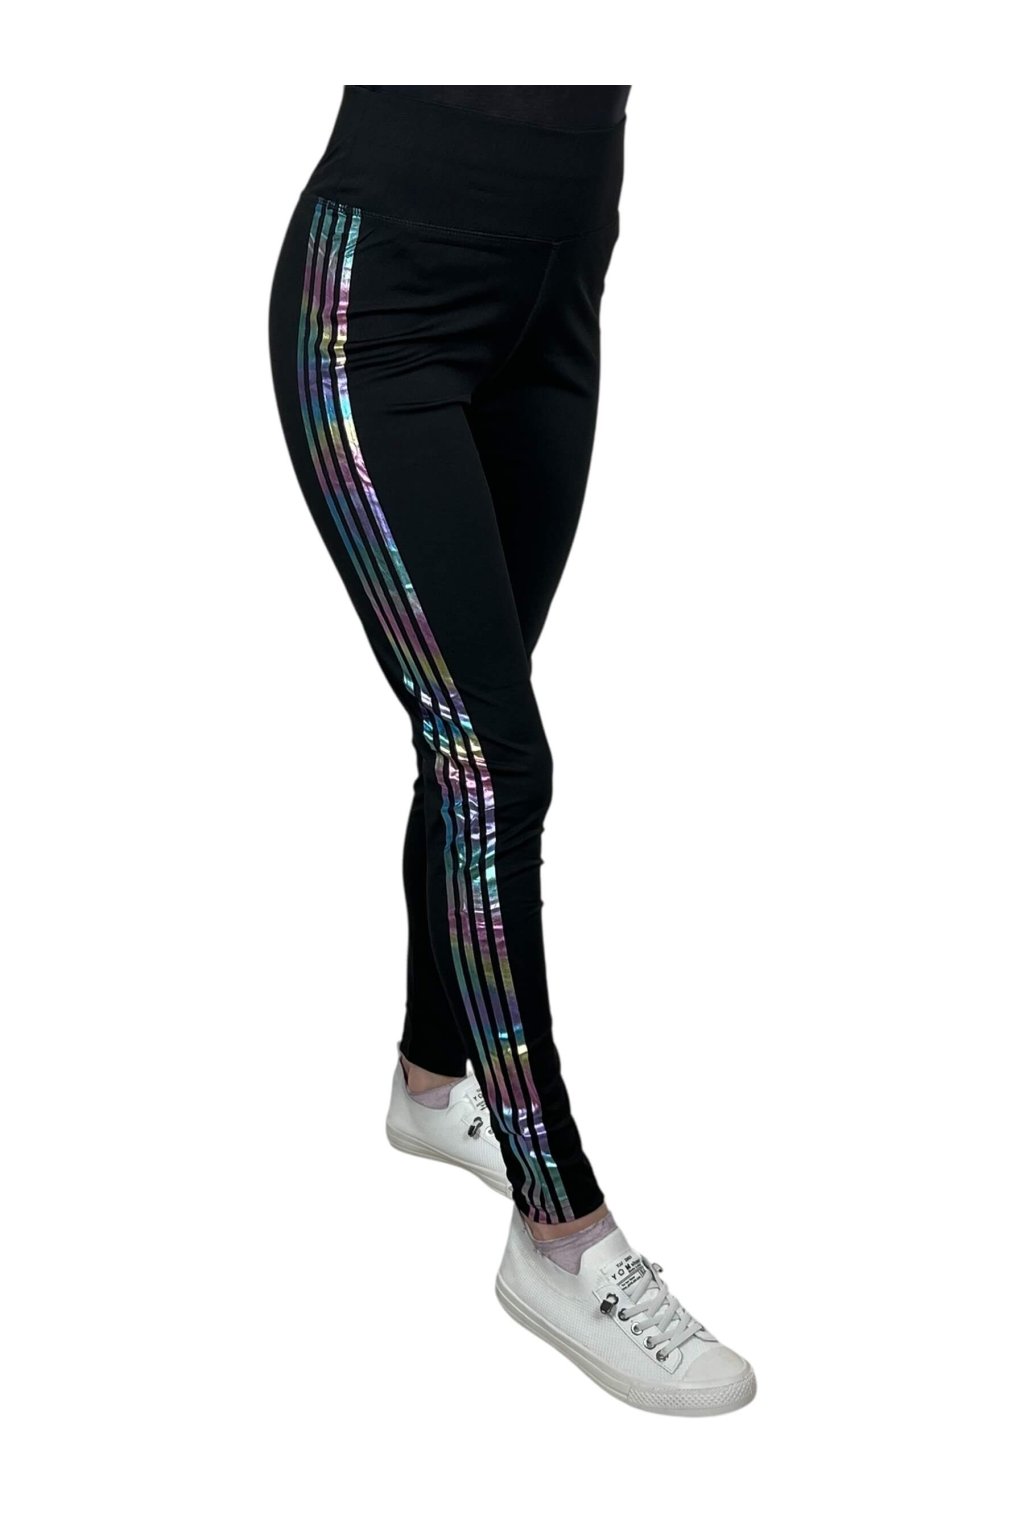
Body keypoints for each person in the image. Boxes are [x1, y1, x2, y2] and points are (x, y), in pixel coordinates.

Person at [268, 84, 755, 1415]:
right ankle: (561, 1236)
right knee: (496, 759)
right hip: (380, 305)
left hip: (556, 296)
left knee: (470, 735)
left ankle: (434, 1083)